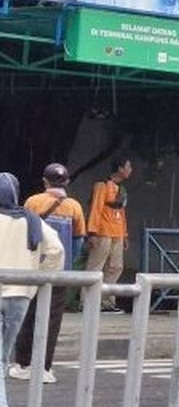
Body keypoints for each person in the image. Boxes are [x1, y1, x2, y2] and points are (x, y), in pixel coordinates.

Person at [10, 164, 85, 385]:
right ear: (67, 182)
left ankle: (22, 364)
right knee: (52, 320)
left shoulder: (33, 202)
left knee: (28, 315)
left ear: (45, 182)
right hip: (61, 272)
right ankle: (43, 367)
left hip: (34, 270)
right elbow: (78, 241)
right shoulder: (74, 207)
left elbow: (26, 233)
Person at [0, 172, 63, 407]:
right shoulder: (32, 220)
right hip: (21, 296)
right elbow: (56, 250)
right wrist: (40, 276)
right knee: (3, 357)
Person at [85, 158, 131, 312]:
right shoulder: (102, 186)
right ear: (120, 168)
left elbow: (122, 213)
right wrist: (92, 232)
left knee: (116, 267)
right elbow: (96, 209)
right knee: (96, 267)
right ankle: (88, 301)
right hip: (103, 231)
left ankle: (106, 301)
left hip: (117, 232)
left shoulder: (122, 190)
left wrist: (124, 234)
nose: (130, 170)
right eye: (128, 166)